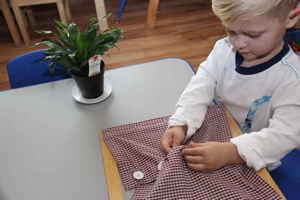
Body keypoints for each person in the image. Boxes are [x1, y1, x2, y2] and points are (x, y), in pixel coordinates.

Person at [161, 0, 300, 172]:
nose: (238, 43)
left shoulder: (293, 79)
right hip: (215, 138)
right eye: (231, 31)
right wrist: (181, 122)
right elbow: (201, 85)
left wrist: (231, 153)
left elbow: (285, 135)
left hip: (253, 155)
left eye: (253, 34)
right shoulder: (223, 49)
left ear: (291, 18)